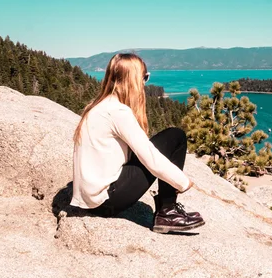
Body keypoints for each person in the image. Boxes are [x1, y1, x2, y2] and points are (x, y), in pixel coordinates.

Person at [70, 53, 205, 233]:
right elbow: (150, 157)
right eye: (144, 77)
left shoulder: (99, 106)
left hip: (90, 199)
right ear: (133, 80)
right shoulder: (117, 111)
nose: (144, 82)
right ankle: (167, 211)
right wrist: (183, 182)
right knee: (175, 137)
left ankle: (167, 211)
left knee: (164, 141)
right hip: (106, 200)